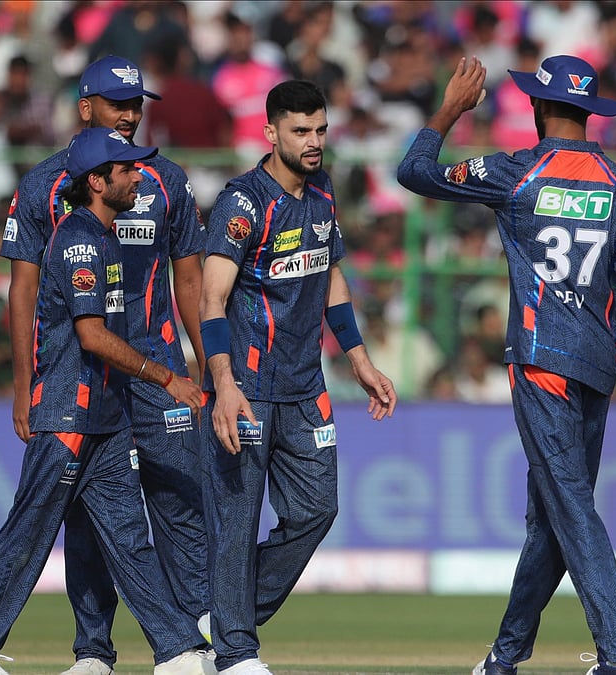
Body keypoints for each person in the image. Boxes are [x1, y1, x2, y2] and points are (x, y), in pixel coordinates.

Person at [396, 55, 616, 675]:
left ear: (537, 106)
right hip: (596, 369)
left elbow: (414, 171)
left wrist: (451, 109)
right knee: (553, 519)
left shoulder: (516, 171)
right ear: (589, 113)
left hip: (541, 363)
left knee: (569, 508)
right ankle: (504, 658)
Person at [0, 127, 213, 675]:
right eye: (127, 170)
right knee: (28, 533)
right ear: (97, 181)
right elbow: (91, 336)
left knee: (129, 539)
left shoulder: (106, 237)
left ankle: (178, 651)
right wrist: (167, 377)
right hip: (69, 412)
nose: (138, 177)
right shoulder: (80, 242)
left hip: (105, 419)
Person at [198, 80, 396, 675]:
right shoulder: (242, 204)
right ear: (270, 132)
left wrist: (358, 358)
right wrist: (223, 384)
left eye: (321, 130)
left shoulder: (324, 192)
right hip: (247, 387)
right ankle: (236, 652)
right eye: (300, 131)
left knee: (317, 510)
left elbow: (331, 276)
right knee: (237, 523)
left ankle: (226, 616)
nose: (314, 142)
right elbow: (212, 300)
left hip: (306, 386)